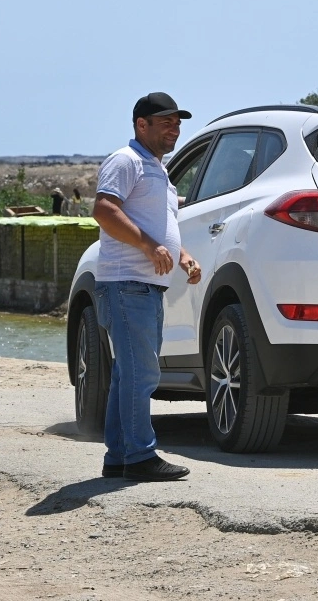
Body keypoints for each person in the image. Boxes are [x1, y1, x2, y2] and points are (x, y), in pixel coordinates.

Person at [92, 91, 203, 481]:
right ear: (142, 124)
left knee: (129, 373)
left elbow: (162, 226)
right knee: (142, 374)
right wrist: (149, 245)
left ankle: (120, 455)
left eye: (178, 122)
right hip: (126, 284)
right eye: (167, 122)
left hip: (144, 286)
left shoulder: (158, 168)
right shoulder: (127, 161)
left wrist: (183, 254)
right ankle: (140, 456)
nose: (175, 128)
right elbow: (104, 210)